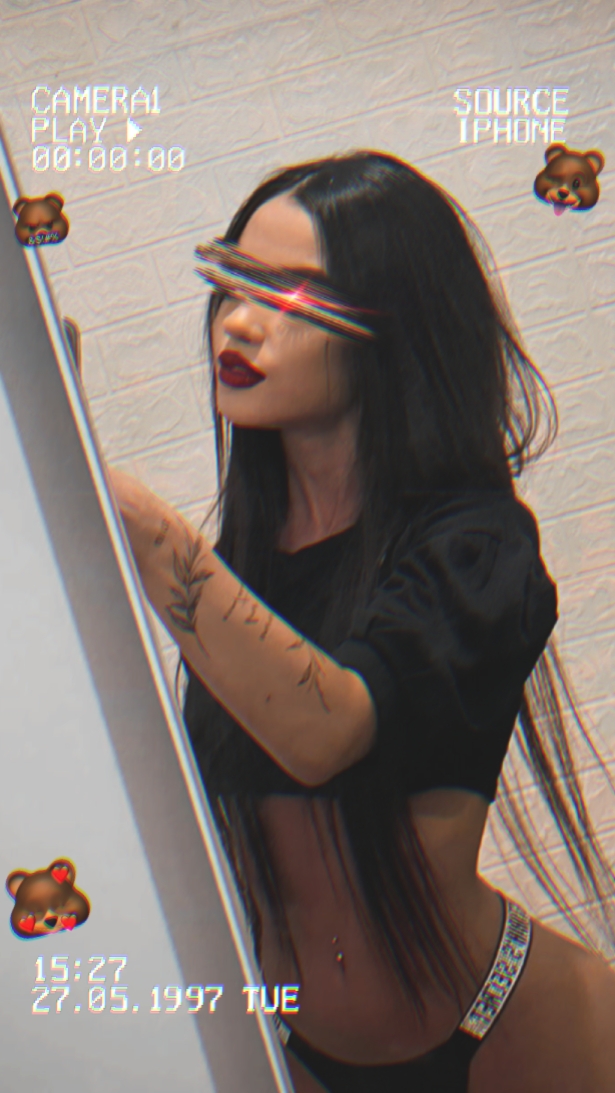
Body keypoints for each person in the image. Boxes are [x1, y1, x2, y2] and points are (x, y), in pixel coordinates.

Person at [110, 152, 615, 1092]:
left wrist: (141, 526)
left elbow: (328, 727)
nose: (238, 321)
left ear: (393, 329)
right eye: (234, 284)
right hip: (291, 1044)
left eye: (290, 296)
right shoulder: (246, 568)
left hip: (505, 1027)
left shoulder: (477, 547)